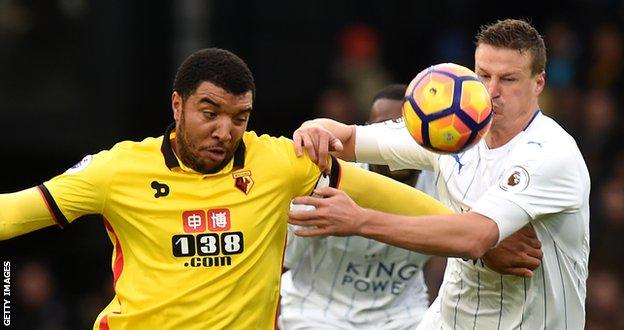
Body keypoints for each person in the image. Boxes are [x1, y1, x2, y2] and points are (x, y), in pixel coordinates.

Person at [0, 48, 459, 330]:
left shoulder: (280, 163)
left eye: (239, 117)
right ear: (177, 104)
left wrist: (478, 234)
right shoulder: (116, 170)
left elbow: (388, 196)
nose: (225, 130)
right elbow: (16, 213)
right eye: (210, 112)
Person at [290, 18, 589, 329]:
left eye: (509, 79)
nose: (492, 91)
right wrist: (314, 128)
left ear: (538, 83)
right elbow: (348, 138)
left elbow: (475, 237)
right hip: (449, 321)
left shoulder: (550, 153)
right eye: (483, 75)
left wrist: (358, 220)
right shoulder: (452, 131)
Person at [280, 84, 542, 330]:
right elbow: (281, 259)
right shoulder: (325, 182)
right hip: (316, 315)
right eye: (385, 127)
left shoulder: (449, 183)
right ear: (370, 132)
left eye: (405, 129)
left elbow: (459, 247)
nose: (397, 138)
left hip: (403, 319)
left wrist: (489, 244)